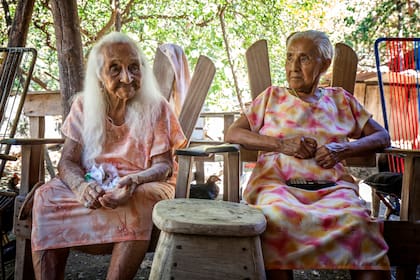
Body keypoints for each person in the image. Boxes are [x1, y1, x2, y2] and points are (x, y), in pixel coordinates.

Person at [225, 30, 391, 280]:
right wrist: (281, 145)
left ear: (324, 64)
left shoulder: (340, 100)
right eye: (289, 57)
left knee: (359, 223)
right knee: (274, 218)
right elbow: (234, 133)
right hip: (277, 185)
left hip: (332, 189)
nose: (293, 67)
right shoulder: (272, 97)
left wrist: (343, 149)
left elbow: (382, 136)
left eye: (304, 59)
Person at [30, 32, 186, 279]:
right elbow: (68, 161)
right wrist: (81, 187)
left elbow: (164, 165)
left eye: (134, 68)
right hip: (94, 182)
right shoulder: (83, 106)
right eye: (115, 69)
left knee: (138, 199)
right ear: (99, 76)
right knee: (46, 196)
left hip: (145, 183)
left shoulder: (157, 107)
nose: (128, 77)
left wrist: (134, 180)